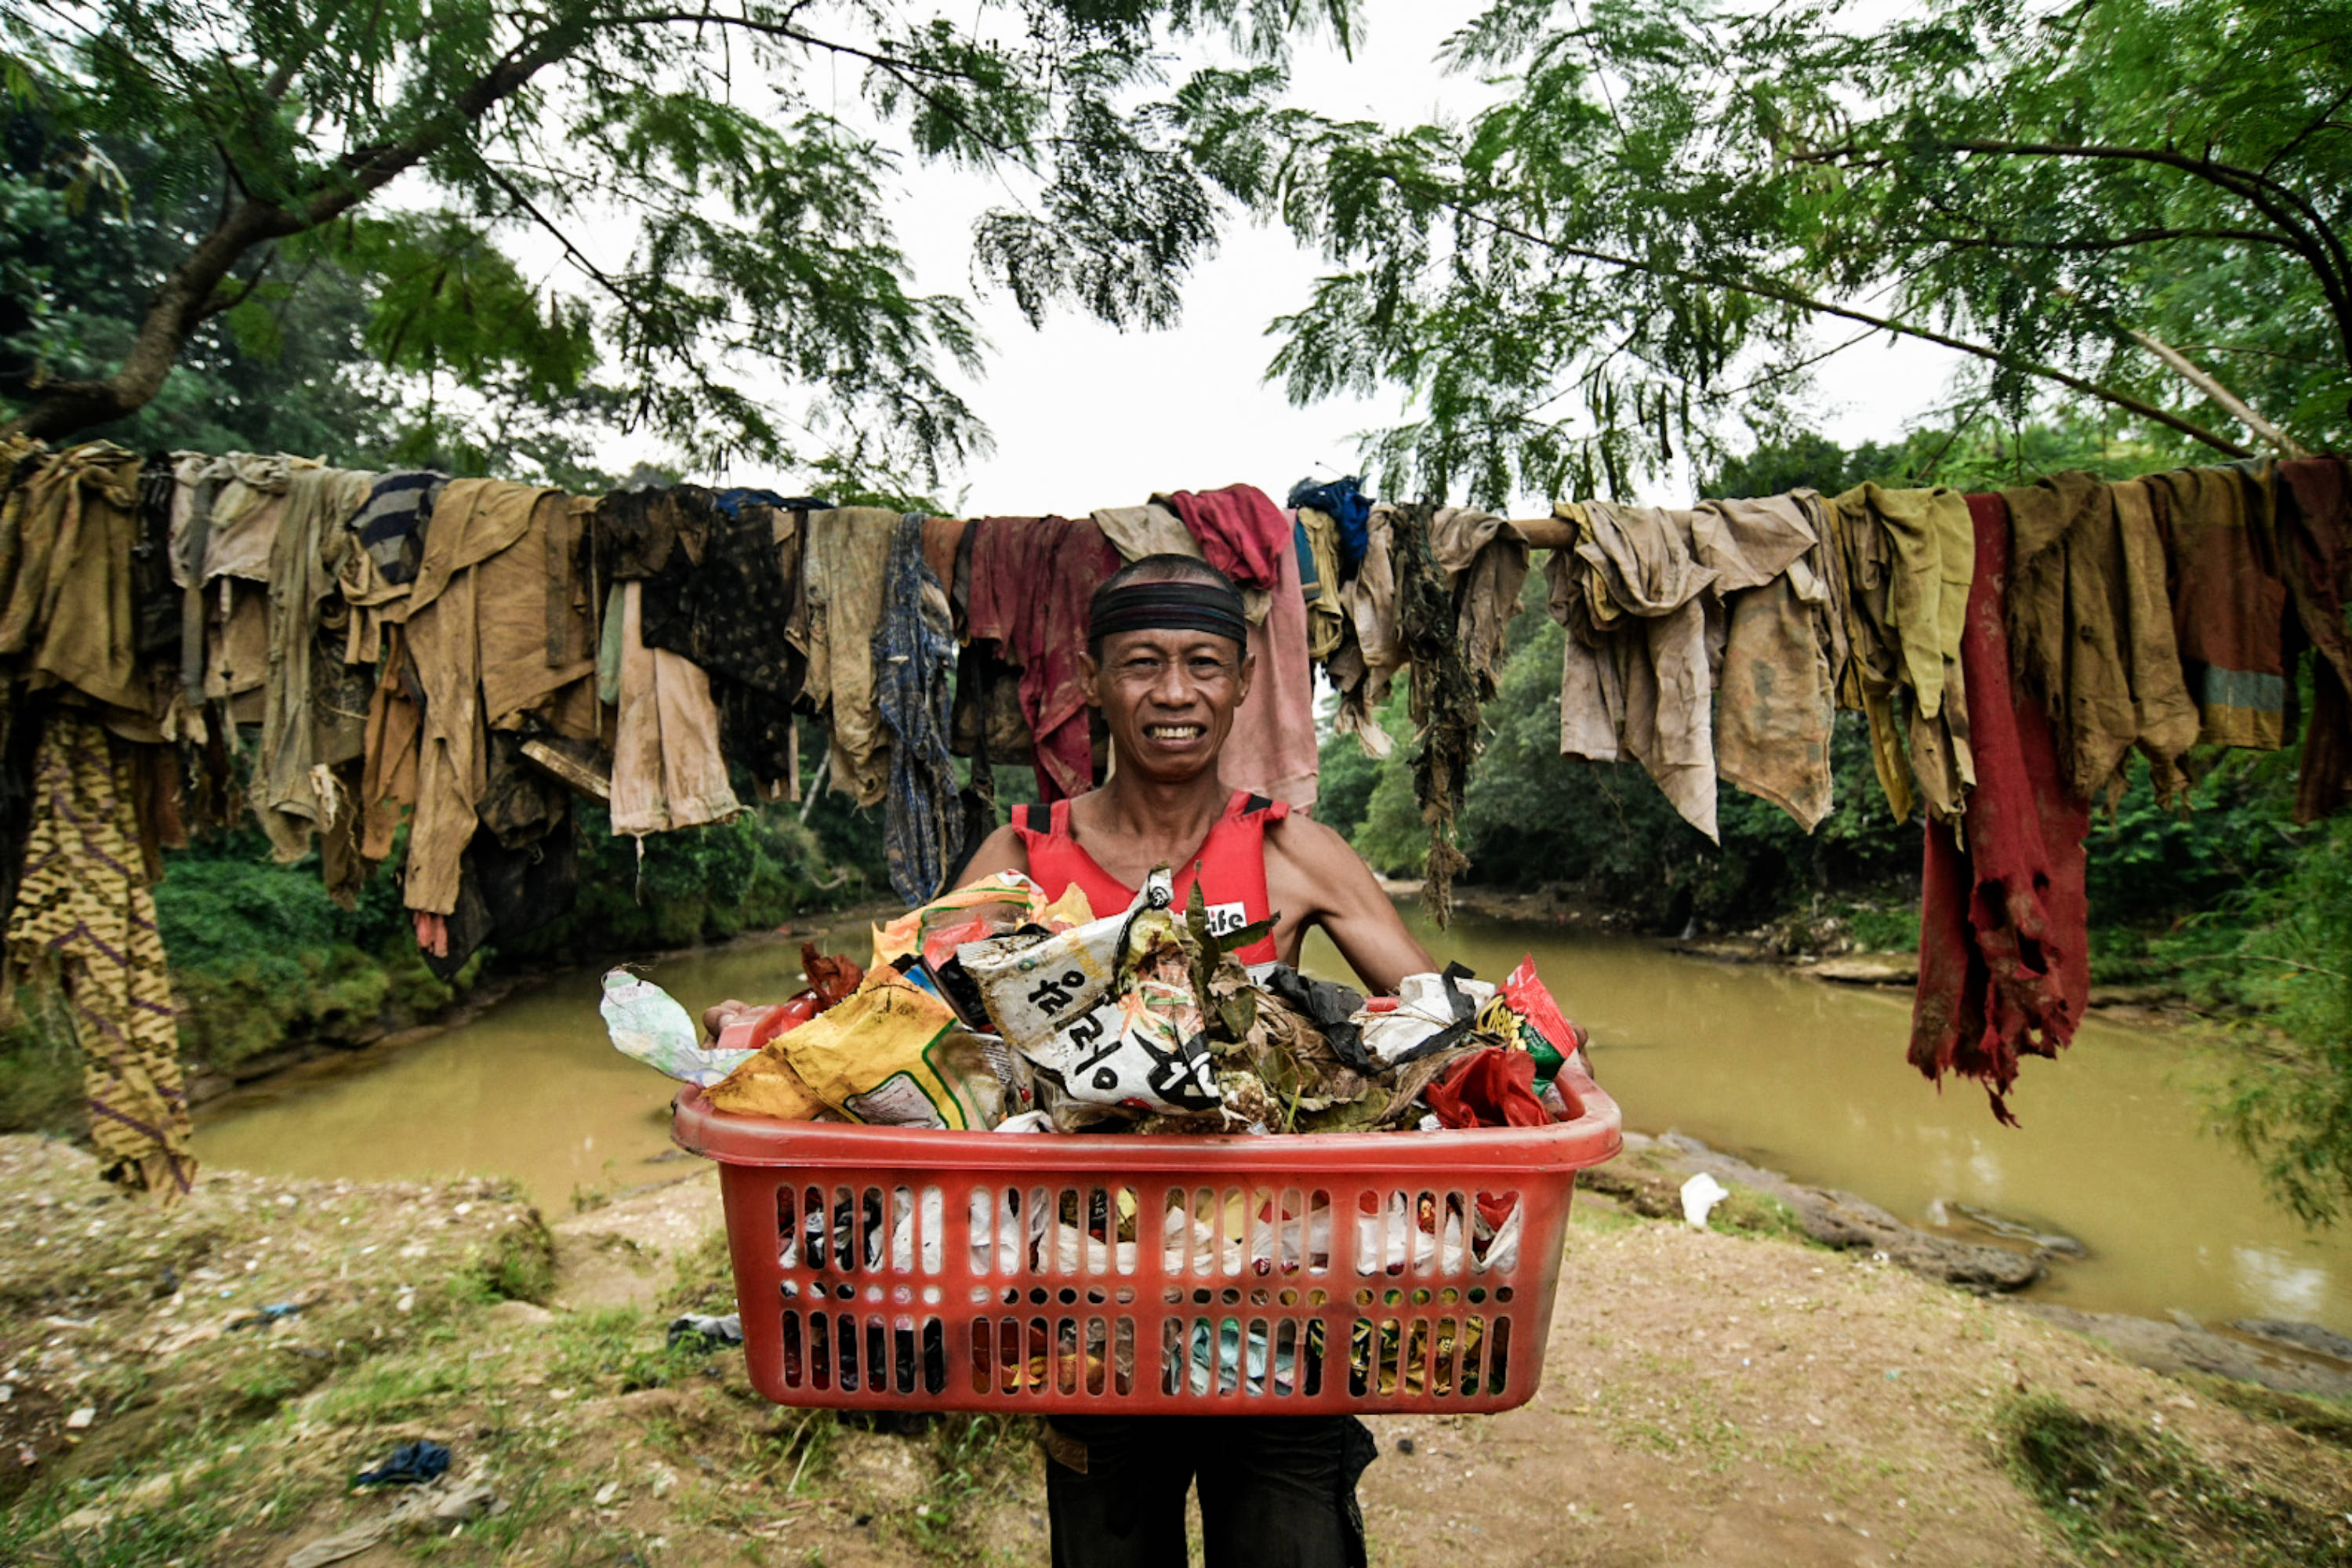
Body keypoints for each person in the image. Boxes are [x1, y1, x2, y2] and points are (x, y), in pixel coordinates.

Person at [951, 552, 1437, 1568]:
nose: (1175, 693)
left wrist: (1541, 1058)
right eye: (1143, 663)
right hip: (1083, 1326)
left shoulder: (1289, 849)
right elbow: (899, 1026)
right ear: (1090, 681)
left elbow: (1436, 1028)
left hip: (1283, 1317)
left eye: (1205, 664)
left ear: (1246, 681)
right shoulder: (1023, 857)